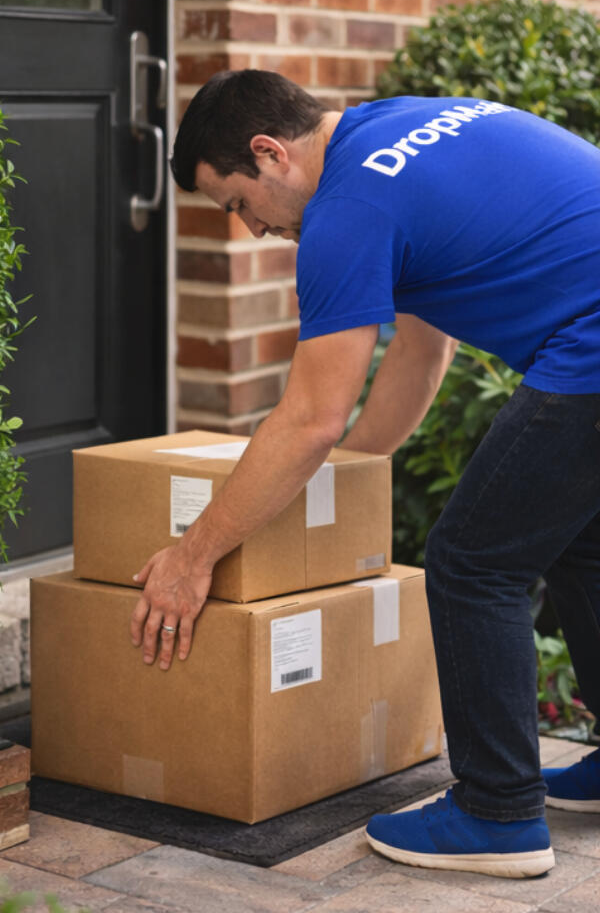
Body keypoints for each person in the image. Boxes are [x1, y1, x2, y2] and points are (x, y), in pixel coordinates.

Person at [129, 69, 600, 879]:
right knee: (575, 542)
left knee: (472, 563)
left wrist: (192, 554)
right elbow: (422, 350)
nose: (253, 230)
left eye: (238, 205)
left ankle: (499, 815)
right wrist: (344, 485)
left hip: (590, 347)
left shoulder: (345, 211)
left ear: (269, 153)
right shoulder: (391, 129)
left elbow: (311, 417)